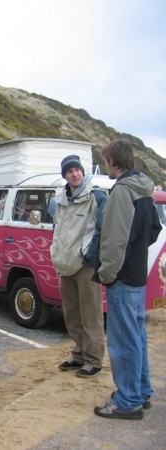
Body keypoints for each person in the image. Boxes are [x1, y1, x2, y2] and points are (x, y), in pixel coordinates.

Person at [94, 139, 162, 420]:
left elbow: (113, 241)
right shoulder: (144, 189)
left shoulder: (122, 191)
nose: (106, 163)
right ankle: (140, 391)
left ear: (112, 160)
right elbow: (155, 230)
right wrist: (135, 252)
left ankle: (128, 400)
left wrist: (107, 274)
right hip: (137, 274)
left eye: (106, 159)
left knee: (123, 340)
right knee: (136, 336)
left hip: (121, 277)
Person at [51, 154, 107, 379]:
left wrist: (90, 257)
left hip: (85, 266)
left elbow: (103, 230)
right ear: (64, 175)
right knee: (72, 315)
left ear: (83, 172)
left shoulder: (96, 197)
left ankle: (94, 360)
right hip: (65, 266)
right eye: (70, 171)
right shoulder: (61, 199)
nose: (75, 174)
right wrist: (56, 254)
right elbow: (57, 230)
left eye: (77, 170)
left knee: (91, 315)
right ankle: (79, 355)